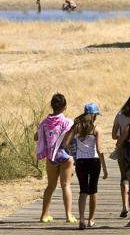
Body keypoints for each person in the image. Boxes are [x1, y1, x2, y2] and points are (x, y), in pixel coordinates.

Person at [64, 103, 108, 230]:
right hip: (94, 161)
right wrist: (104, 168)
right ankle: (91, 219)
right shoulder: (96, 129)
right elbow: (100, 150)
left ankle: (81, 219)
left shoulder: (76, 127)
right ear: (94, 115)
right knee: (93, 191)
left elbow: (66, 143)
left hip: (81, 161)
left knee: (83, 191)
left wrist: (74, 153)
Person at [34, 93, 76, 224]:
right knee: (66, 185)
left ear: (51, 106)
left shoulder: (45, 123)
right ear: (65, 107)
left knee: (50, 186)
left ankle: (44, 215)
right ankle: (69, 215)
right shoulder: (67, 122)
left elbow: (36, 137)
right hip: (65, 156)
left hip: (51, 157)